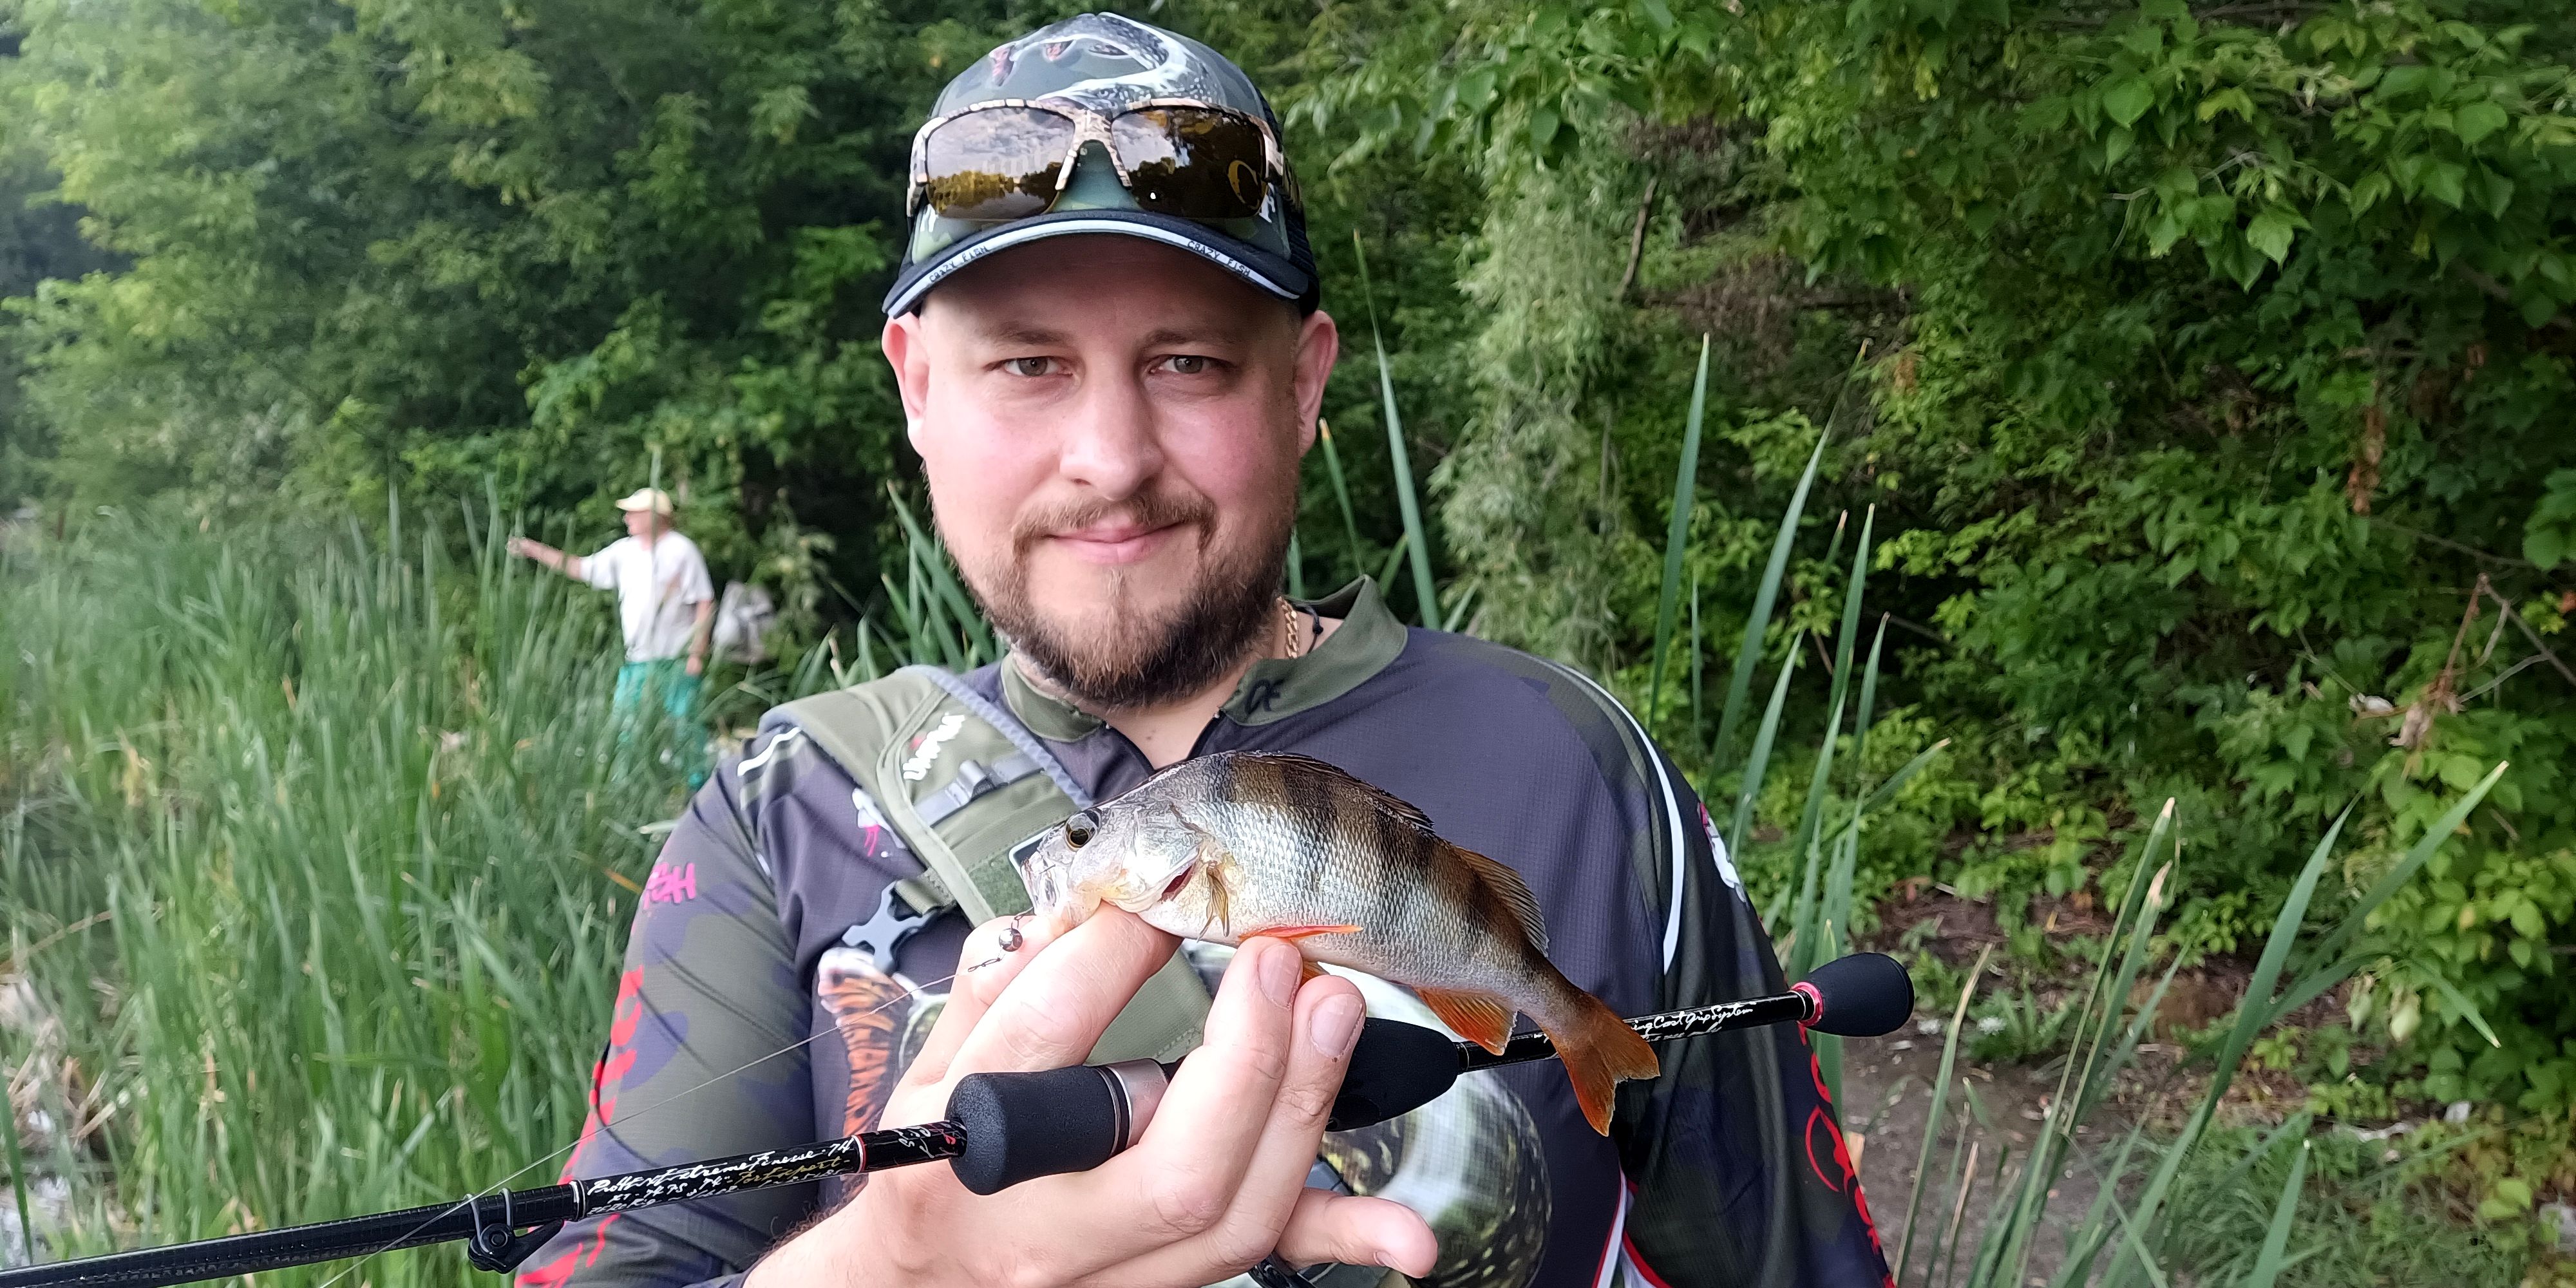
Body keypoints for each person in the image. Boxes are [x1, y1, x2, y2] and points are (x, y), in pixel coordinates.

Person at [518, 14, 1892, 1288]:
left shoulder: (1576, 766)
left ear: (1302, 384)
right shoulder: (780, 813)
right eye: (1028, 364)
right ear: (918, 388)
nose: (1110, 460)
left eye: (1188, 362)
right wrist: (891, 1267)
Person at [509, 488, 715, 781]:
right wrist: (533, 549)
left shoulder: (682, 550)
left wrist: (696, 653)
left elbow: (704, 601)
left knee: (685, 729)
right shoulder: (623, 552)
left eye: (634, 513)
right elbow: (580, 568)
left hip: (676, 661)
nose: (626, 518)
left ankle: (699, 791)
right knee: (626, 730)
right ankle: (626, 789)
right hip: (637, 663)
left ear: (654, 516)